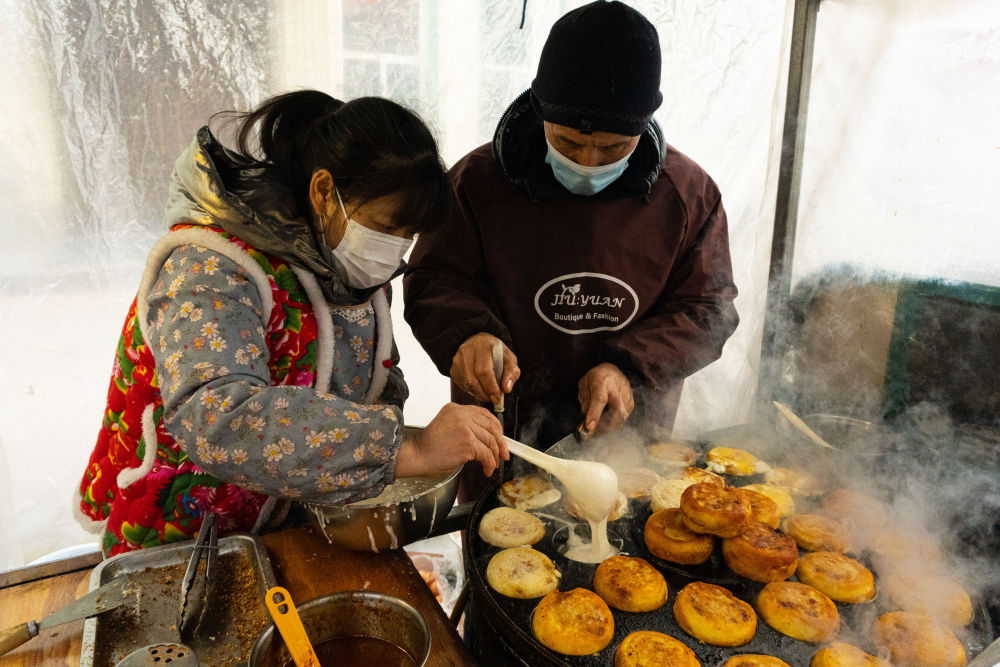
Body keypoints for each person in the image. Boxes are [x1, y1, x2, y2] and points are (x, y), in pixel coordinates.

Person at [74, 90, 507, 557]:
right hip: (183, 538)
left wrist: (398, 426)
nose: (394, 250)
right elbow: (217, 418)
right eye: (386, 227)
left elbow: (375, 373)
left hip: (290, 530)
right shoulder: (207, 268)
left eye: (408, 237)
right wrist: (407, 450)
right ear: (324, 192)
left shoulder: (347, 266)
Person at [403, 1, 739, 502]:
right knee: (498, 552)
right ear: (541, 112)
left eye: (613, 150)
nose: (587, 163)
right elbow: (434, 279)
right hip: (503, 426)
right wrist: (467, 335)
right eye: (568, 142)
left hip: (625, 438)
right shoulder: (477, 183)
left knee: (624, 560)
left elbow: (708, 309)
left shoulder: (687, 197)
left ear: (645, 126)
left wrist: (630, 367)